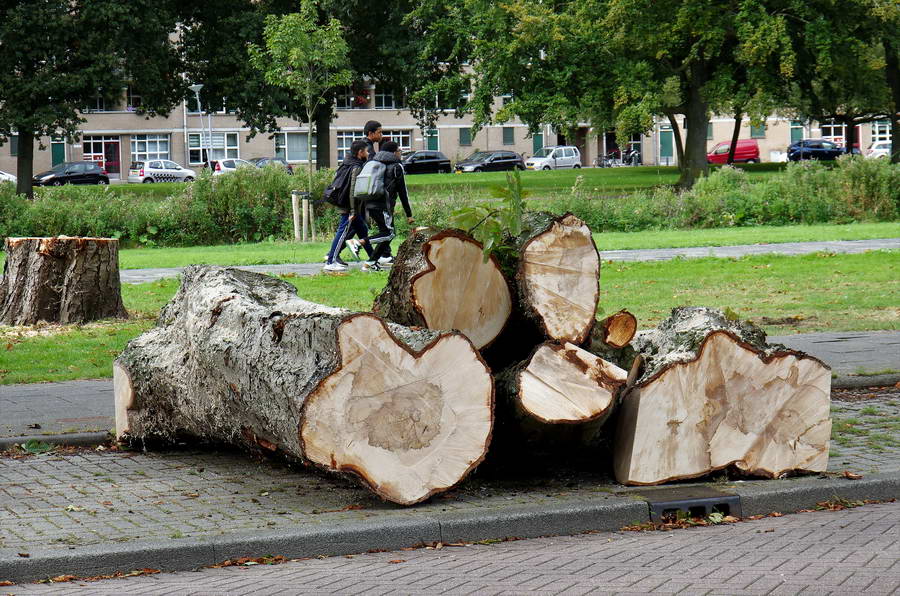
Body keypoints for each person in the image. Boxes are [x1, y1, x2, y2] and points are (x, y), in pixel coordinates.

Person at [358, 140, 413, 271]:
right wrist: (409, 214)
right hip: (384, 206)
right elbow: (403, 192)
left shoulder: (374, 163)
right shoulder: (396, 167)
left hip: (369, 203)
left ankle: (370, 263)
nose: (400, 153)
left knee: (387, 233)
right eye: (399, 151)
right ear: (394, 152)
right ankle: (359, 242)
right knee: (389, 233)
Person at [323, 140, 375, 272]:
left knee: (363, 230)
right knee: (342, 233)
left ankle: (373, 260)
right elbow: (353, 191)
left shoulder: (347, 163)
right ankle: (330, 261)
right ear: (360, 153)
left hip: (348, 205)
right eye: (366, 151)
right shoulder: (356, 167)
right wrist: (352, 211)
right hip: (348, 207)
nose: (368, 153)